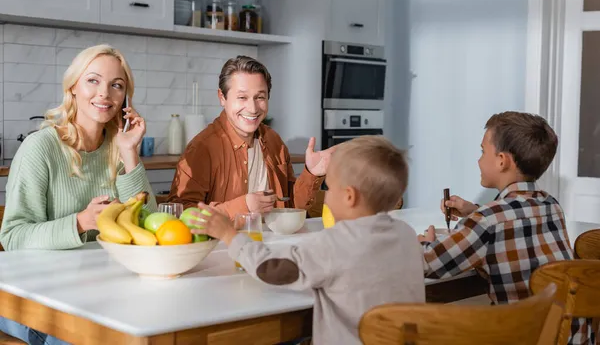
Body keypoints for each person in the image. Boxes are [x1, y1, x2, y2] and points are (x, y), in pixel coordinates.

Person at [190, 136, 425, 345]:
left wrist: (229, 235)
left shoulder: (334, 244)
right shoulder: (406, 234)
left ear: (349, 196)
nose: (326, 196)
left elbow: (271, 268)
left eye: (329, 188)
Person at [0, 44, 157, 344]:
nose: (105, 94)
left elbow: (149, 228)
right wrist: (80, 222)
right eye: (93, 80)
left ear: (125, 98)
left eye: (117, 85)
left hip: (100, 290)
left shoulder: (119, 146)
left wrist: (130, 154)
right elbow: (13, 237)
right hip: (35, 295)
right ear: (73, 87)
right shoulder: (40, 148)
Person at [417, 111, 591, 345]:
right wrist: (474, 211)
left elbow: (429, 264)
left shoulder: (488, 221)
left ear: (502, 160)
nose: (479, 160)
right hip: (570, 337)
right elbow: (515, 224)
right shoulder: (551, 205)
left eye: (482, 151)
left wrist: (426, 241)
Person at [168, 55, 336, 218]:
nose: (253, 108)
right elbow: (181, 213)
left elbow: (290, 207)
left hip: (271, 243)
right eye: (242, 97)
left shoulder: (273, 140)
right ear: (222, 97)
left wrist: (312, 174)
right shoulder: (202, 148)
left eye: (260, 97)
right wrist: (244, 206)